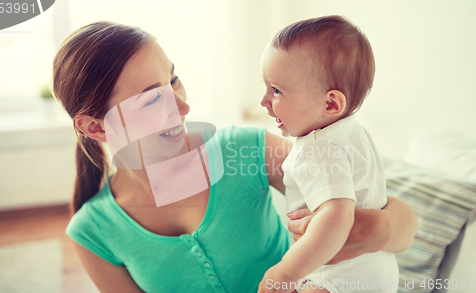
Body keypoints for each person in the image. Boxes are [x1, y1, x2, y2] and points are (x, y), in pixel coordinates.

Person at [53, 21, 417, 293]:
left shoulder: (242, 151)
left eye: (174, 79)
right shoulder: (92, 233)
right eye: (152, 99)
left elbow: (402, 227)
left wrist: (382, 229)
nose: (183, 106)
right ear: (96, 127)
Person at [258, 16, 398, 293]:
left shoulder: (317, 148)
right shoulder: (350, 133)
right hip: (376, 272)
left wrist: (285, 273)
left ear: (331, 103)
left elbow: (337, 216)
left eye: (276, 91)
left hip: (338, 280)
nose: (264, 101)